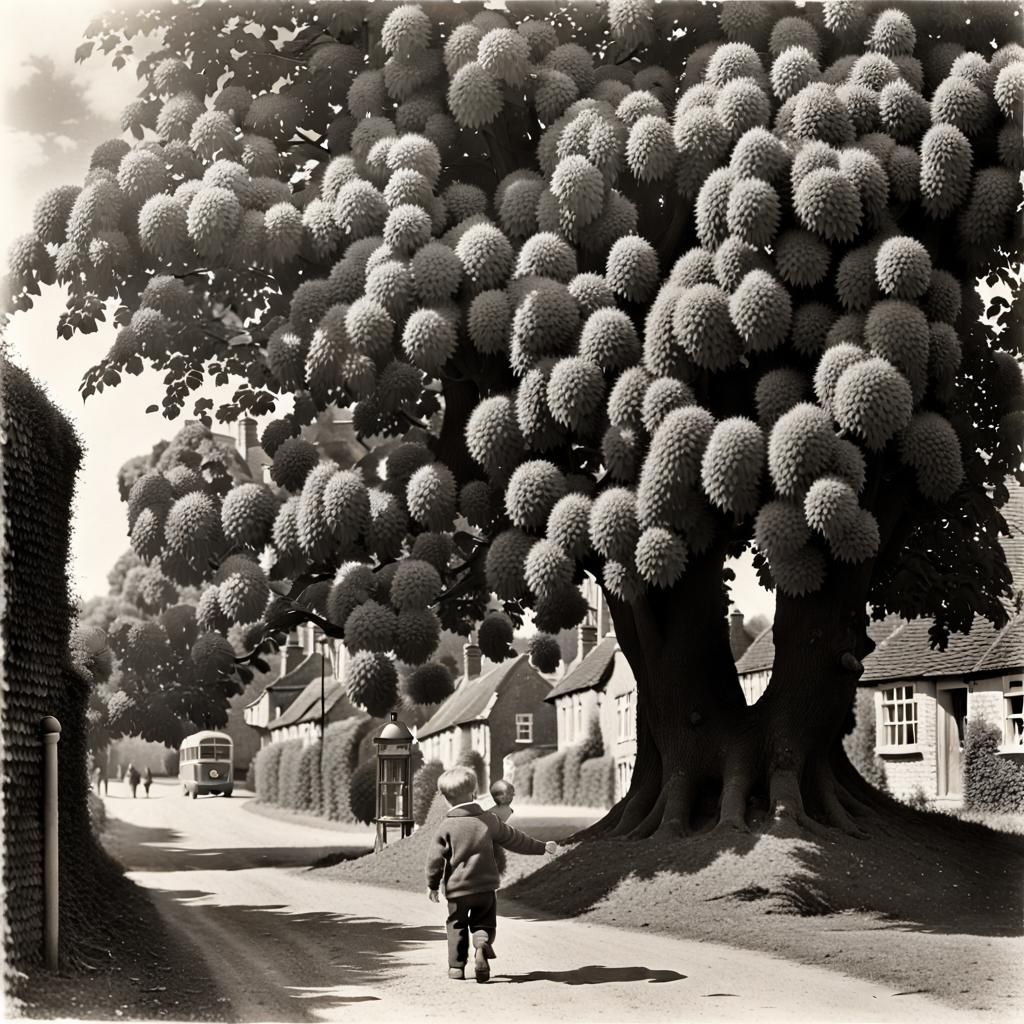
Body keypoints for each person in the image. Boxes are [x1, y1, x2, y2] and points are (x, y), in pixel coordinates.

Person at [426, 766, 556, 983]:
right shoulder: (489, 820)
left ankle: (457, 968)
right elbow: (515, 839)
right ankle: (481, 943)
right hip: (485, 888)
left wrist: (432, 884)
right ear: (474, 791)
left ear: (447, 799)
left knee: (456, 924)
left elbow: (435, 859)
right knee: (484, 922)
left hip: (457, 890)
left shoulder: (446, 826)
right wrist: (542, 847)